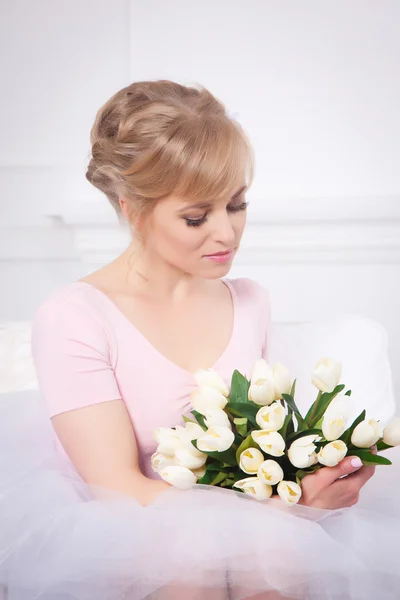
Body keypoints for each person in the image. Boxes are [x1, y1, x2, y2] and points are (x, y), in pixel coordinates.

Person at [0, 80, 399, 600]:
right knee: (191, 564)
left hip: (249, 524)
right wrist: (276, 514)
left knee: (273, 553)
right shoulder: (74, 317)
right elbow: (117, 487)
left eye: (236, 206)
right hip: (131, 529)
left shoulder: (249, 301)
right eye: (196, 217)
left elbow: (255, 452)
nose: (227, 234)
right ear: (131, 207)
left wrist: (304, 492)